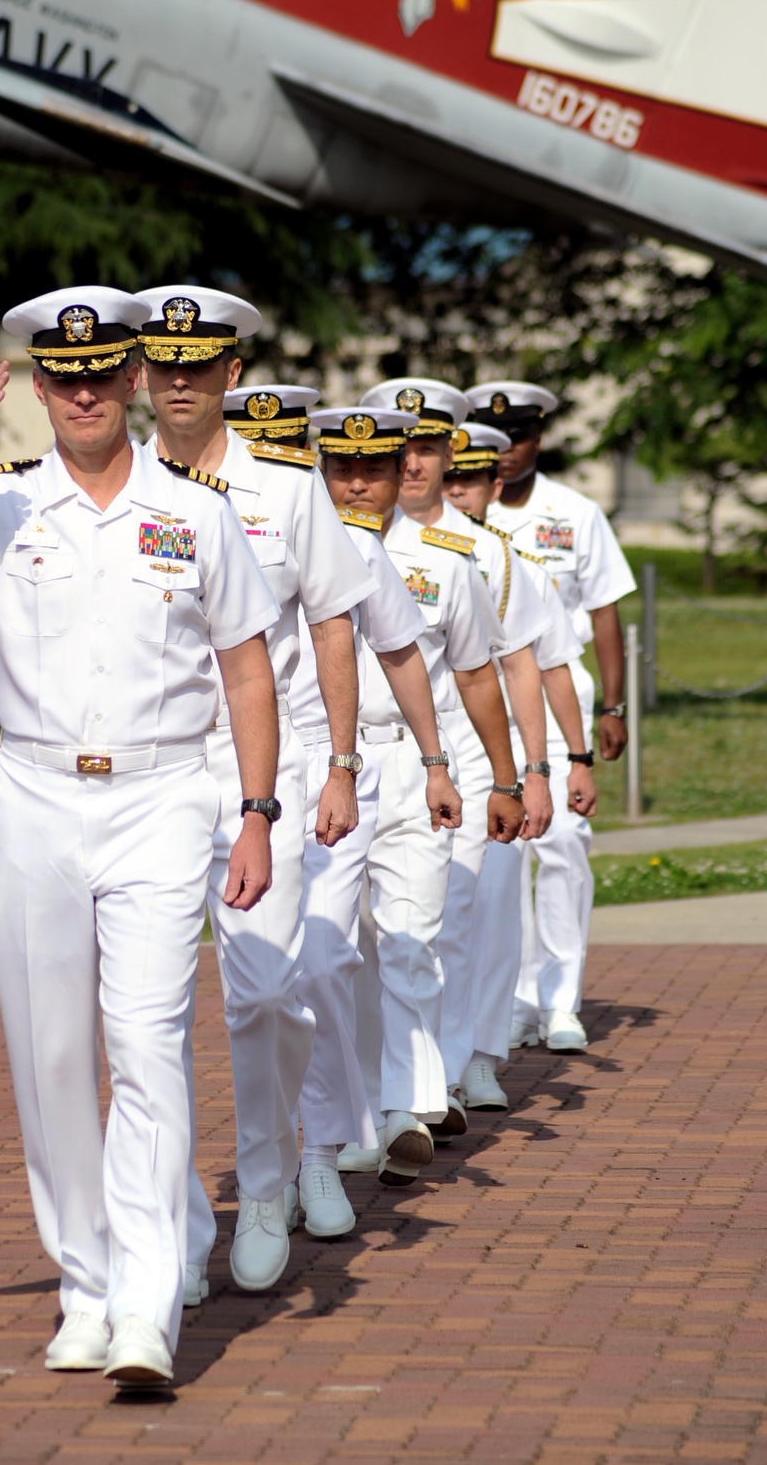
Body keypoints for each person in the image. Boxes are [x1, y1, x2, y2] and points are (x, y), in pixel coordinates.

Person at [0, 288, 283, 1390]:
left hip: (160, 799)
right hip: (36, 798)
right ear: (39, 389)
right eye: (64, 378)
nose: (85, 394)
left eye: (104, 376)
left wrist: (256, 812)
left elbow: (244, 667)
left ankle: (145, 1305)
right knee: (51, 1061)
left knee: (145, 1047)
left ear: (134, 380)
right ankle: (84, 1287)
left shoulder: (197, 511)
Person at [136, 288, 378, 1293]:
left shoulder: (286, 488)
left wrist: (339, 764)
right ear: (142, 373)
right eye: (165, 362)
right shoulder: (118, 485)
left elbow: (330, 622)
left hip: (258, 776)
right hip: (148, 777)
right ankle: (174, 1228)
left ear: (232, 373)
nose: (182, 379)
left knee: (269, 989)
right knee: (144, 1015)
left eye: (202, 362)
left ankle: (274, 1177)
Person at [311, 407, 520, 1185]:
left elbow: (474, 674)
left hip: (408, 763)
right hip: (319, 766)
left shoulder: (447, 557)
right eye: (341, 467)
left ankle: (403, 1105)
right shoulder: (292, 550)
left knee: (409, 936)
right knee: (337, 949)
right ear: (322, 471)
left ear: (405, 471)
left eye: (374, 467)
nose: (358, 481)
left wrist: (500, 775)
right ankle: (358, 1107)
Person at [273, 397, 462, 1233]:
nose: (354, 480)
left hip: (340, 766)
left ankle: (358, 1130)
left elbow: (404, 652)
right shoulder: (192, 517)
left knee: (343, 950)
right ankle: (292, 1150)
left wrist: (437, 762)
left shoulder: (363, 547)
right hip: (219, 769)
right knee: (264, 983)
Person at [361, 380, 555, 1132]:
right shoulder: (339, 537)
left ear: (451, 453)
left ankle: (452, 1065)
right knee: (376, 933)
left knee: (464, 910)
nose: (412, 462)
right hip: (367, 748)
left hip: (466, 750)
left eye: (427, 446)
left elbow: (513, 666)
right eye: (398, 446)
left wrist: (532, 771)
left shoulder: (482, 552)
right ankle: (401, 1078)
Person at [467, 381, 636, 1052]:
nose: (507, 452)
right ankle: (515, 995)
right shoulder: (457, 508)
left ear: (539, 439)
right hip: (483, 707)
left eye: (520, 438)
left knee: (564, 846)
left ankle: (561, 998)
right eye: (492, 438)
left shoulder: (574, 511)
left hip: (560, 697)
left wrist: (614, 708)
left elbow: (606, 610)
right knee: (501, 860)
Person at [442, 422, 597, 1107]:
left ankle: (478, 1052)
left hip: (491, 753)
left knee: (495, 904)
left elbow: (543, 665)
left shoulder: (507, 559)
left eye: (470, 478)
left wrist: (557, 761)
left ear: (492, 484)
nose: (457, 490)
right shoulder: (381, 546)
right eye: (449, 475)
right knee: (419, 917)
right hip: (415, 749)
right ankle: (419, 1063)